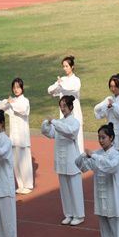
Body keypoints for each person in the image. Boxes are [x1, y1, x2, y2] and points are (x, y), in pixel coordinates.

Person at [76, 123, 119, 237]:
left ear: (111, 138)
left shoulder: (116, 155)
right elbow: (81, 167)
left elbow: (110, 167)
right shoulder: (96, 154)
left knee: (116, 233)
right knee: (105, 233)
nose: (101, 140)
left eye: (103, 137)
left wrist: (94, 156)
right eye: (99, 138)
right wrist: (83, 156)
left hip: (112, 200)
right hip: (101, 200)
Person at [41, 95, 85, 226]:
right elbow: (49, 133)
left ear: (71, 107)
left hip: (71, 160)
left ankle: (79, 215)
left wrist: (54, 122)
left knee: (75, 189)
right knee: (65, 190)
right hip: (61, 160)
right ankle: (69, 214)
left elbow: (70, 132)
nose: (62, 108)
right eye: (61, 106)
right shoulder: (59, 122)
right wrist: (46, 123)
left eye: (65, 106)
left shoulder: (74, 122)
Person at [94, 74, 119, 204]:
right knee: (112, 165)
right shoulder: (109, 99)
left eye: (115, 86)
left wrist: (114, 106)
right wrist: (105, 105)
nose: (113, 89)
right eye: (111, 86)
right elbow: (98, 113)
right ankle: (115, 192)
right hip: (111, 139)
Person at [0, 78, 33, 194]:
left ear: (22, 88)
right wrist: (7, 102)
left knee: (24, 162)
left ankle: (28, 185)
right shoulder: (11, 101)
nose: (16, 90)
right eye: (14, 87)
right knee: (15, 162)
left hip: (23, 137)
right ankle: (20, 185)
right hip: (13, 137)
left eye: (18, 87)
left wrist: (11, 103)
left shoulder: (24, 101)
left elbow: (23, 110)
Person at [47, 55, 84, 153]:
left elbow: (73, 88)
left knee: (77, 139)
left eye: (67, 66)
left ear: (72, 67)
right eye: (63, 66)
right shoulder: (62, 79)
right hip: (64, 113)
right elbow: (50, 90)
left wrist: (62, 84)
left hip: (74, 113)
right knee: (64, 138)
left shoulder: (76, 80)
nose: (65, 68)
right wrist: (57, 84)